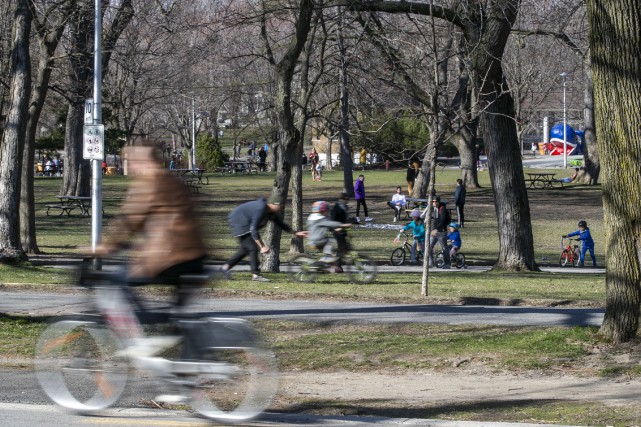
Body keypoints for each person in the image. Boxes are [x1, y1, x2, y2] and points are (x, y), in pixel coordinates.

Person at [92, 145, 208, 359]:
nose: (131, 167)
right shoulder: (174, 181)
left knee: (115, 282)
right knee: (175, 318)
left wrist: (104, 246)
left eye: (131, 162)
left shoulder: (149, 183)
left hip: (171, 258)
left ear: (139, 162)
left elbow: (130, 220)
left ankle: (143, 339)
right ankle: (180, 374)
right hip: (196, 257)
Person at [221, 194, 305, 282]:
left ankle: (225, 268)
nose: (282, 208)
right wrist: (262, 246)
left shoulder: (271, 212)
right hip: (239, 221)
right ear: (273, 204)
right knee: (253, 248)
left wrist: (296, 232)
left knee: (245, 250)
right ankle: (256, 275)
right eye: (280, 206)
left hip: (243, 223)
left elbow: (281, 224)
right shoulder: (260, 209)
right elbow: (253, 229)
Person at [424, 195, 451, 268]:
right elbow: (436, 220)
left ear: (438, 202)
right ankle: (430, 263)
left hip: (442, 232)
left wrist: (436, 229)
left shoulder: (443, 209)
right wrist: (433, 229)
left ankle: (447, 264)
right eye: (433, 201)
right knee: (428, 247)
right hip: (434, 232)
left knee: (444, 248)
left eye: (436, 201)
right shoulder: (435, 209)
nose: (434, 203)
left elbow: (442, 221)